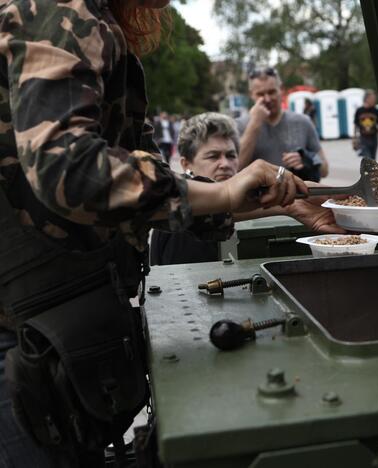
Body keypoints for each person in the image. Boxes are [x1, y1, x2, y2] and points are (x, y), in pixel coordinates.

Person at [0, 0, 341, 466]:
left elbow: (149, 192)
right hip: (19, 335)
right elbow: (69, 168)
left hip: (47, 325)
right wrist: (222, 195)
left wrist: (280, 203)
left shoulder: (95, 22)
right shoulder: (63, 9)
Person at [151, 112, 343, 266]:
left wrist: (292, 203)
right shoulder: (179, 225)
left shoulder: (232, 209)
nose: (225, 164)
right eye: (213, 156)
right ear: (186, 164)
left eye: (231, 155)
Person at [237, 68, 329, 182]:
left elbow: (325, 170)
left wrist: (307, 160)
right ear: (251, 95)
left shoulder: (303, 122)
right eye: (260, 94)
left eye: (272, 92)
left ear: (281, 90)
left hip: (298, 198)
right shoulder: (240, 125)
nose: (267, 99)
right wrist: (255, 124)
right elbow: (237, 169)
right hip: (258, 198)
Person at [353, 90, 378, 160]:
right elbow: (356, 125)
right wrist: (354, 138)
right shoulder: (359, 111)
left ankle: (370, 170)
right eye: (373, 99)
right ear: (367, 99)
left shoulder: (376, 110)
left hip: (374, 138)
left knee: (373, 160)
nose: (374, 100)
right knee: (369, 159)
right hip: (363, 139)